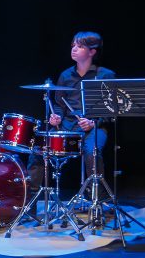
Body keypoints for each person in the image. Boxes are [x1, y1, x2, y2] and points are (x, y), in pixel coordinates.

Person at [28, 31, 116, 191]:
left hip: (95, 127)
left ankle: (97, 200)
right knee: (38, 148)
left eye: (80, 46)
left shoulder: (106, 75)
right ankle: (31, 200)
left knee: (92, 152)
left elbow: (111, 110)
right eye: (73, 45)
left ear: (92, 51)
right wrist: (57, 117)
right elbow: (59, 104)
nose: (74, 49)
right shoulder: (65, 75)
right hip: (68, 126)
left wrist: (93, 122)